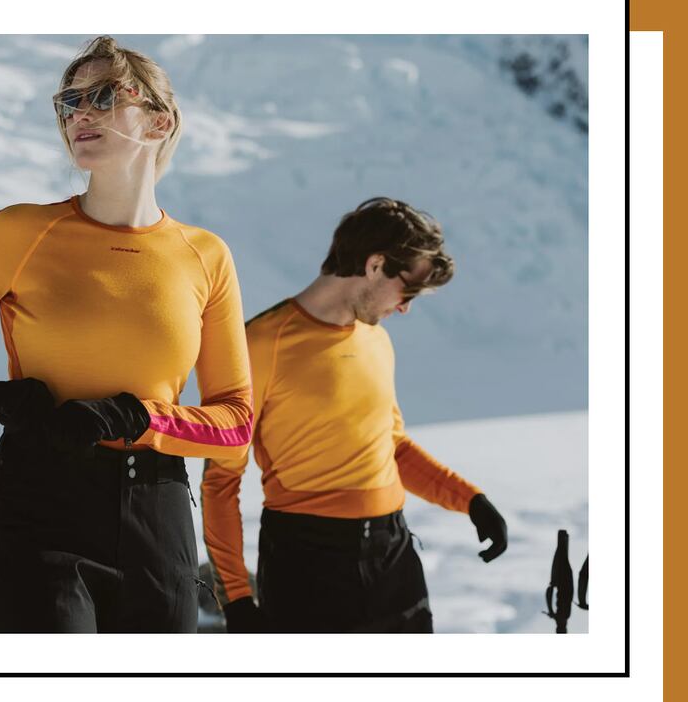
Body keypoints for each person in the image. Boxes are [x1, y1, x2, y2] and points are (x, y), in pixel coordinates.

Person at [0, 36, 253, 633]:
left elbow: (235, 423)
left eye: (104, 96)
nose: (80, 112)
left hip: (156, 518)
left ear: (160, 121)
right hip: (37, 504)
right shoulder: (22, 230)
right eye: (69, 101)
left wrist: (139, 418)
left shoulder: (205, 256)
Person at [200, 198, 508, 633]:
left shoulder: (376, 340)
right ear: (376, 264)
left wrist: (471, 501)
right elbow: (220, 482)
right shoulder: (261, 343)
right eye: (409, 289)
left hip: (394, 558)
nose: (406, 307)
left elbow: (391, 446)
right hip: (306, 565)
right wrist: (235, 598)